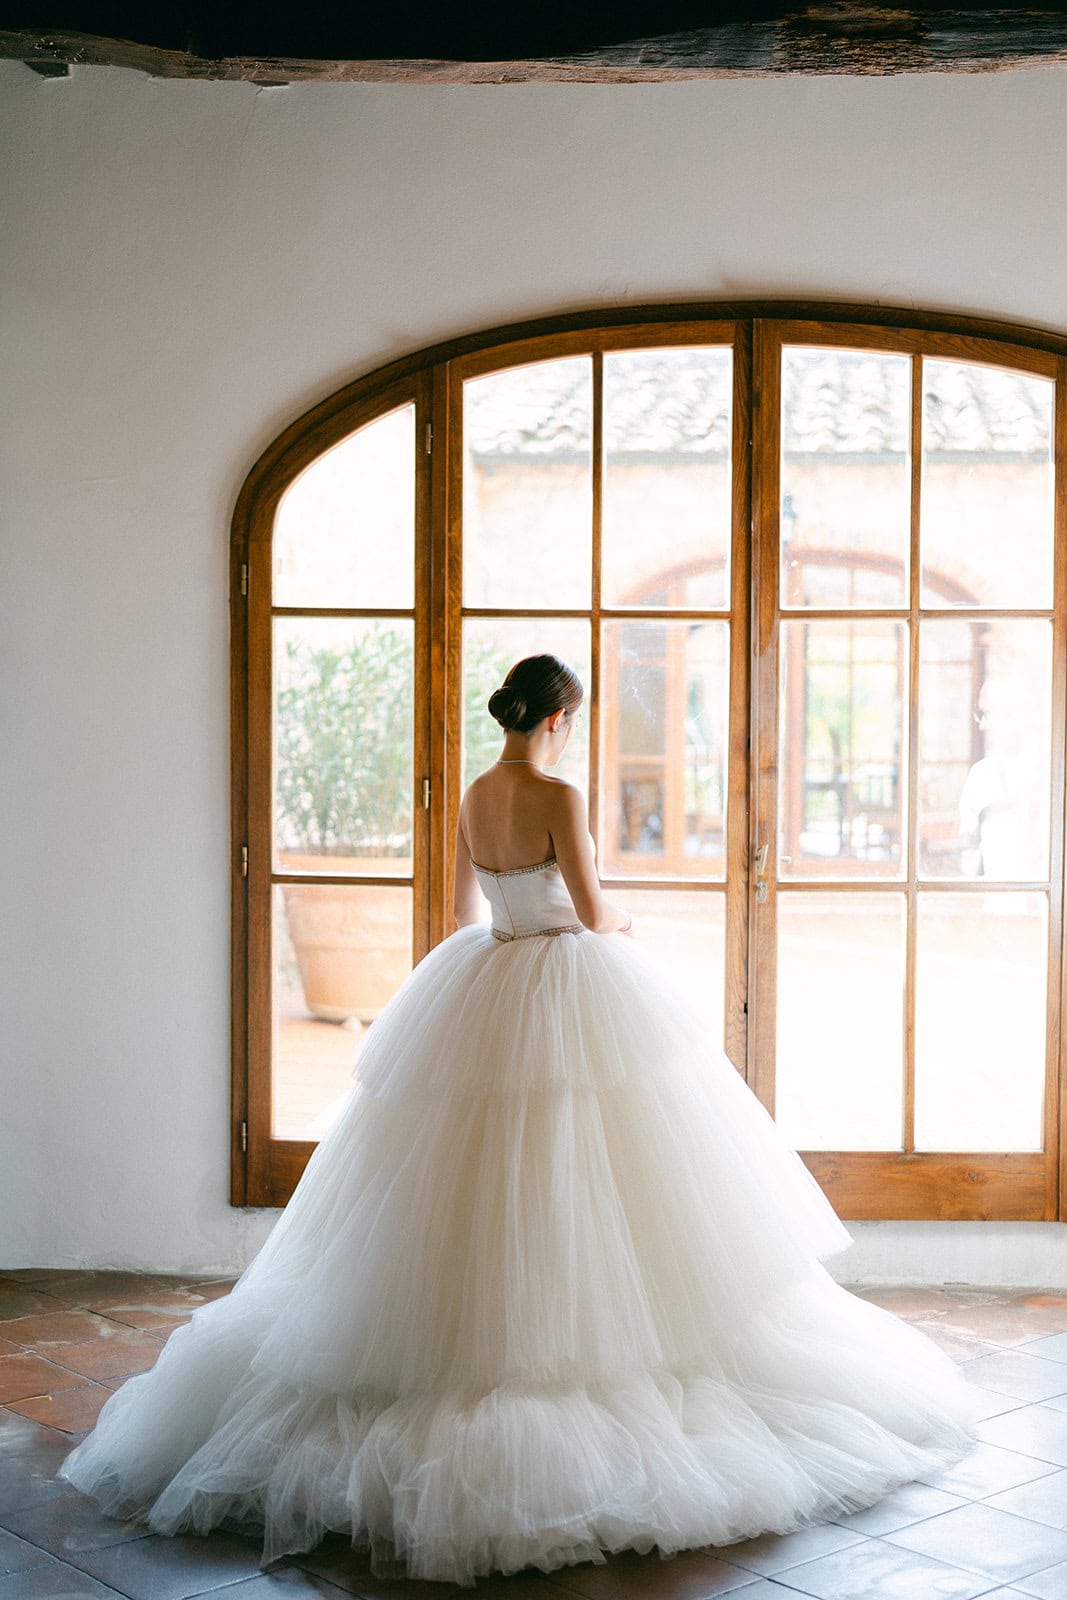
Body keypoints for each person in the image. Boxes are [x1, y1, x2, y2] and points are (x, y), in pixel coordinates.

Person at [59, 654, 980, 1587]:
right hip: (561, 977)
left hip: (485, 973)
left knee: (463, 1180)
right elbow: (585, 909)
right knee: (583, 1178)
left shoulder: (469, 791)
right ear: (558, 718)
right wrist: (626, 924)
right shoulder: (557, 792)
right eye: (571, 718)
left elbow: (471, 910)